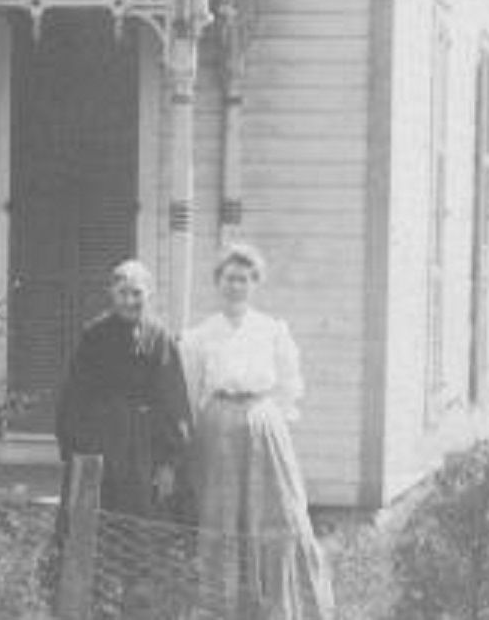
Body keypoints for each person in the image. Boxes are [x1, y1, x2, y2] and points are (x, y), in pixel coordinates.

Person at [181, 243, 334, 619]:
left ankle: (279, 608)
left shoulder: (271, 330)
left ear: (255, 284)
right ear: (218, 283)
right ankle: (225, 607)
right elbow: (191, 388)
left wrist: (270, 422)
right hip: (218, 430)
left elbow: (289, 384)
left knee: (278, 514)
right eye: (230, 278)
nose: (237, 286)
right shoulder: (202, 336)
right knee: (223, 514)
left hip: (264, 430)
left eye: (245, 279)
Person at [55, 258, 191, 517]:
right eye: (122, 293)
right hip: (99, 441)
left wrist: (170, 460)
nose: (129, 301)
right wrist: (75, 447)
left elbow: (174, 401)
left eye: (137, 293)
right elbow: (74, 396)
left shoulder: (161, 338)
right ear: (111, 294)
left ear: (149, 294)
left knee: (139, 522)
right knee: (91, 519)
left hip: (144, 446)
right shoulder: (94, 335)